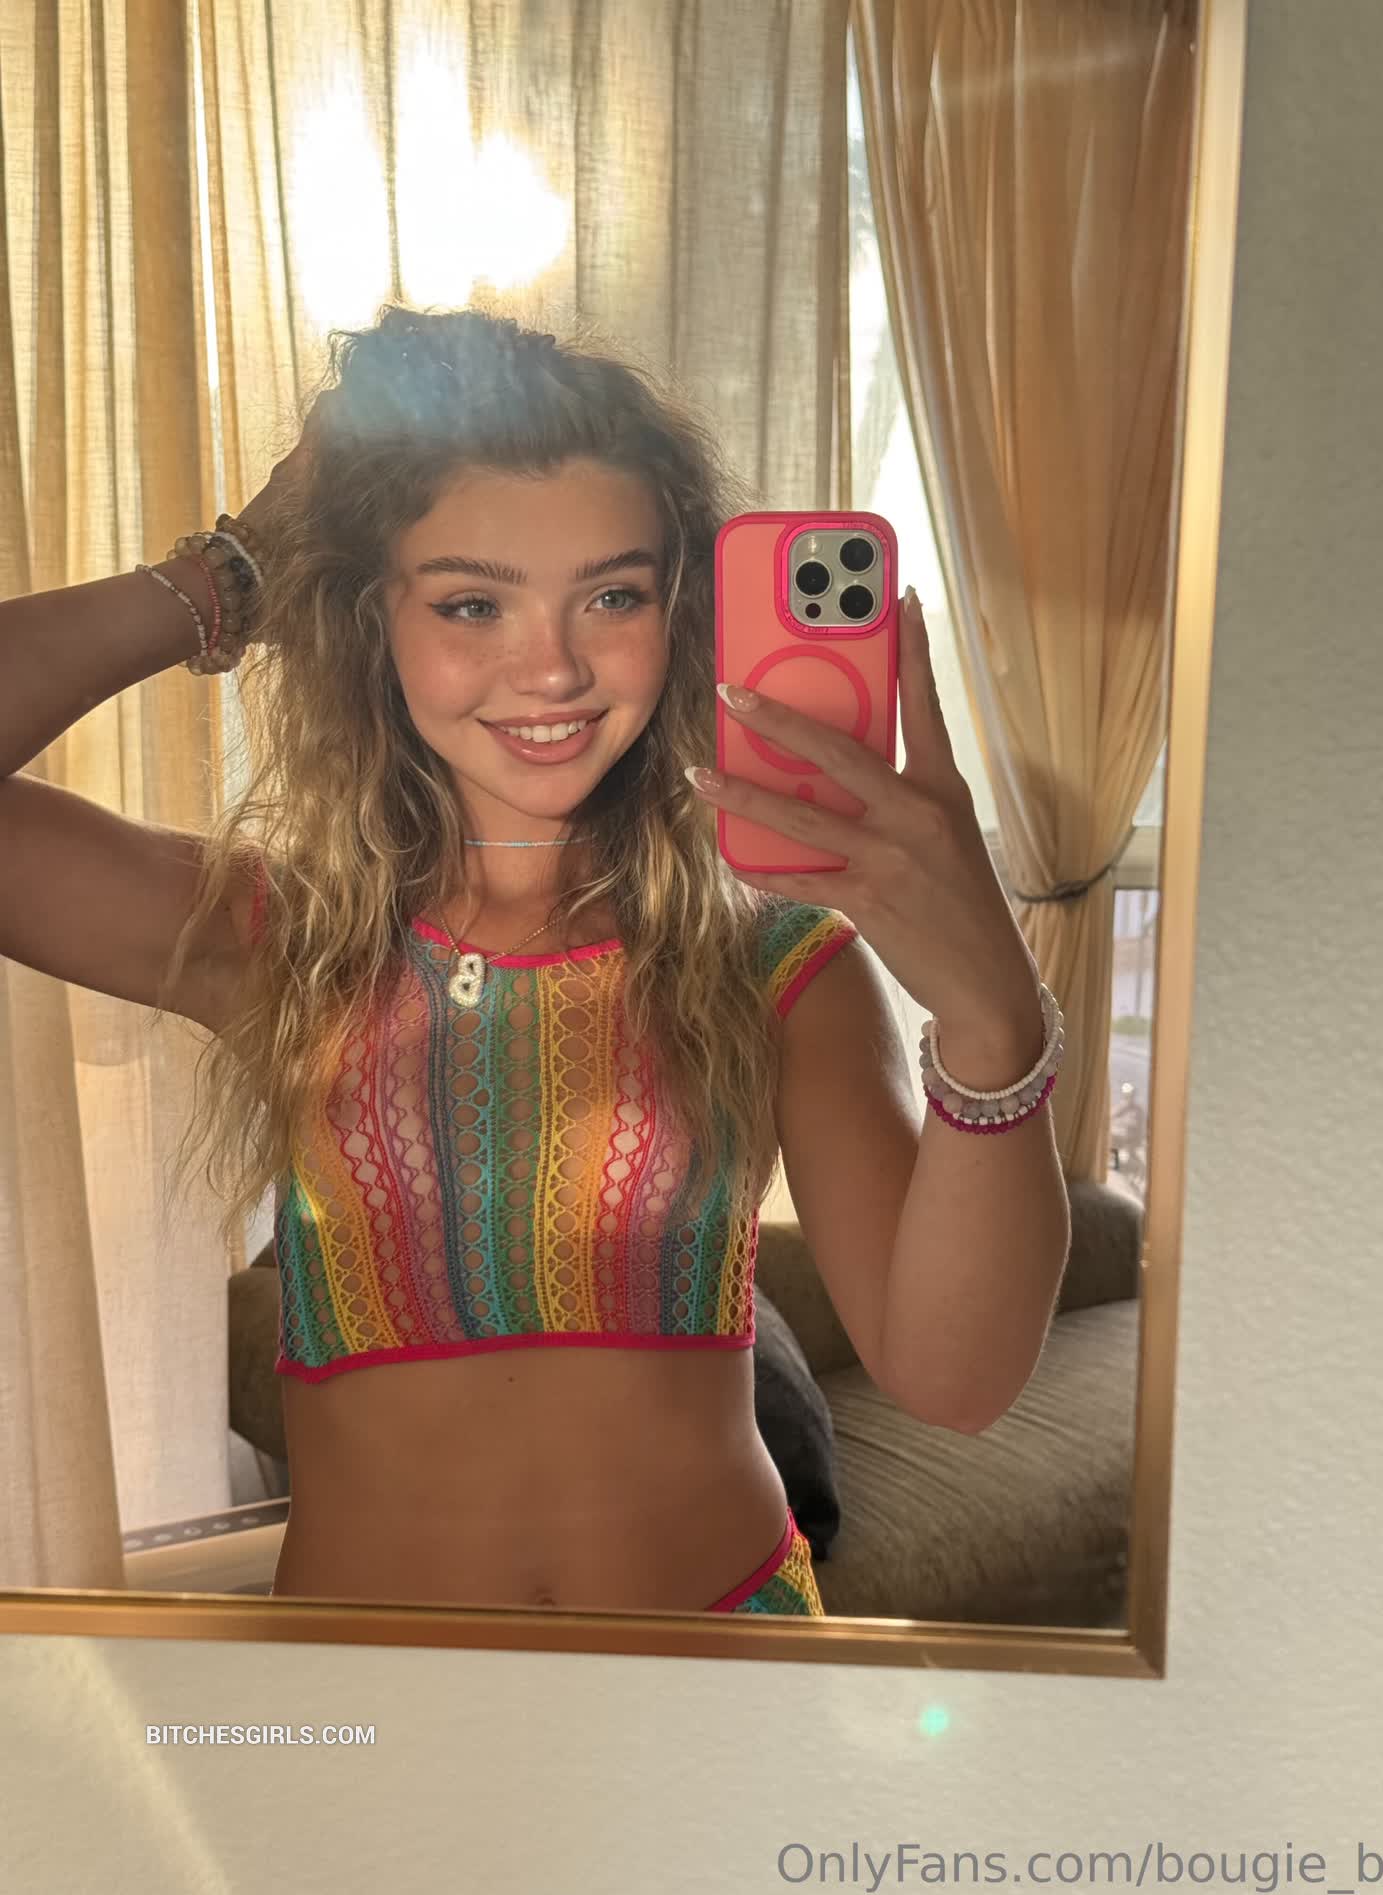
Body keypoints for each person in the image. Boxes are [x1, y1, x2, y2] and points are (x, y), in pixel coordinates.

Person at [0, 304, 1071, 1618]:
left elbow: (955, 1382)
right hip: (376, 1700)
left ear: (678, 618)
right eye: (472, 602)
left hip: (724, 1673)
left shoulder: (776, 969)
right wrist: (230, 576)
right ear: (370, 621)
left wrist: (992, 1020)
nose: (552, 668)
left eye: (611, 596)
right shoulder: (276, 943)